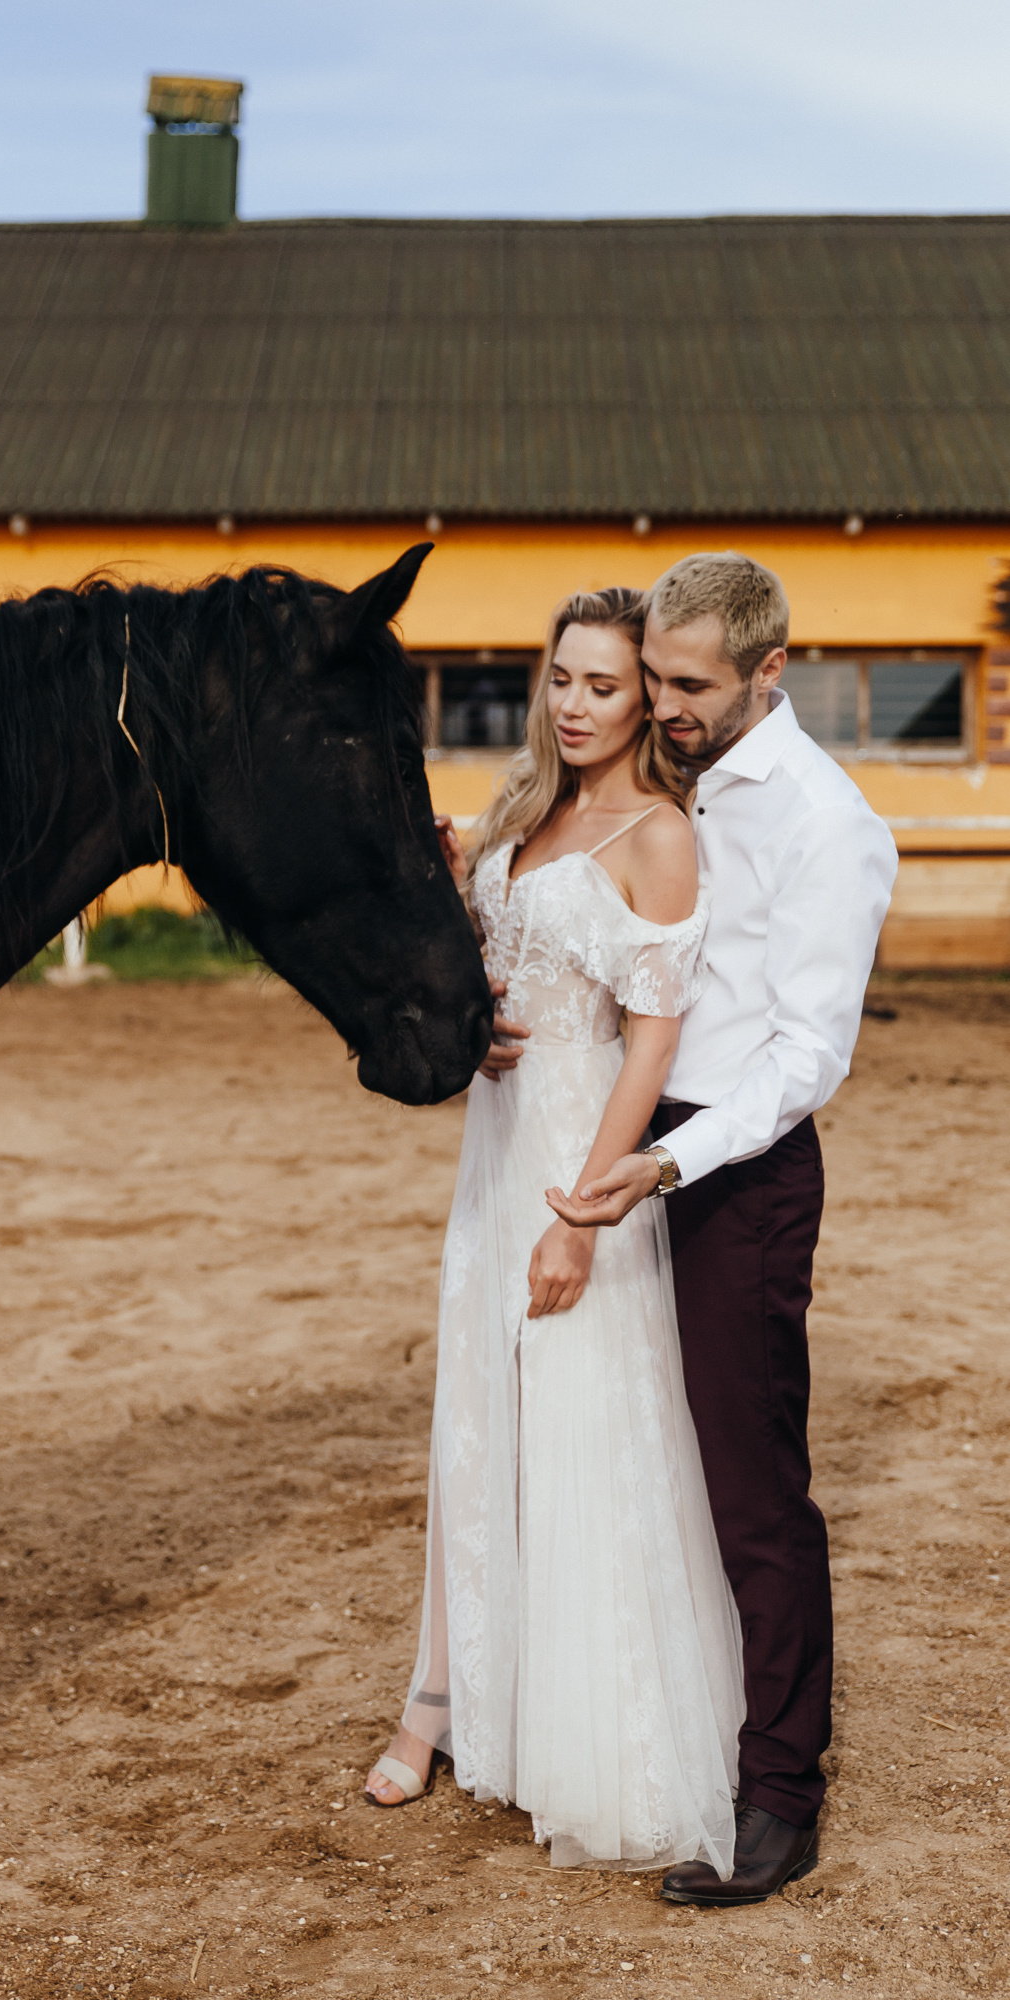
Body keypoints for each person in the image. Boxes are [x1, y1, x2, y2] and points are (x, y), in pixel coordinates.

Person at [364, 586, 747, 1883]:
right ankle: (439, 1699)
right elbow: (493, 971)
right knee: (476, 1422)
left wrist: (584, 1216)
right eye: (562, 679)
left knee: (580, 1427)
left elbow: (651, 1043)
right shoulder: (524, 813)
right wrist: (469, 995)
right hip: (491, 1158)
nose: (575, 706)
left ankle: (589, 1736)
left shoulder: (659, 834)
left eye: (604, 685)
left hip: (577, 1164)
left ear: (645, 699)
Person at [546, 552, 897, 1906]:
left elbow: (807, 1056)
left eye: (691, 684)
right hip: (629, 1133)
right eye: (655, 678)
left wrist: (666, 1163)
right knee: (630, 1453)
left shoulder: (826, 823)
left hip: (732, 1173)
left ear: (770, 671)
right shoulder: (663, 774)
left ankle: (781, 1793)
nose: (664, 703)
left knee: (752, 1490)